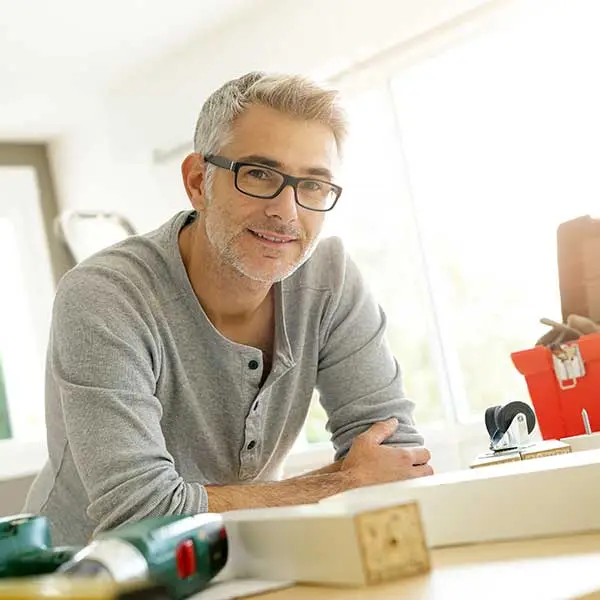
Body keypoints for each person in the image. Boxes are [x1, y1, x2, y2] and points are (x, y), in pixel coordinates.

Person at [24, 71, 433, 545]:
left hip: (241, 558)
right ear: (199, 182)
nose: (287, 211)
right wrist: (340, 481)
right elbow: (143, 513)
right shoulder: (104, 296)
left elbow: (396, 457)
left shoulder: (330, 279)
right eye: (259, 174)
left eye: (314, 185)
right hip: (86, 574)